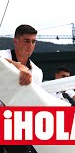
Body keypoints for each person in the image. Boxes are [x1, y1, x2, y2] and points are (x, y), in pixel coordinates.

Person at [0, 25, 42, 153]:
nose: (30, 45)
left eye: (33, 42)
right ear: (15, 41)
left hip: (16, 122)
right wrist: (18, 66)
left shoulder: (37, 72)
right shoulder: (2, 55)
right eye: (26, 41)